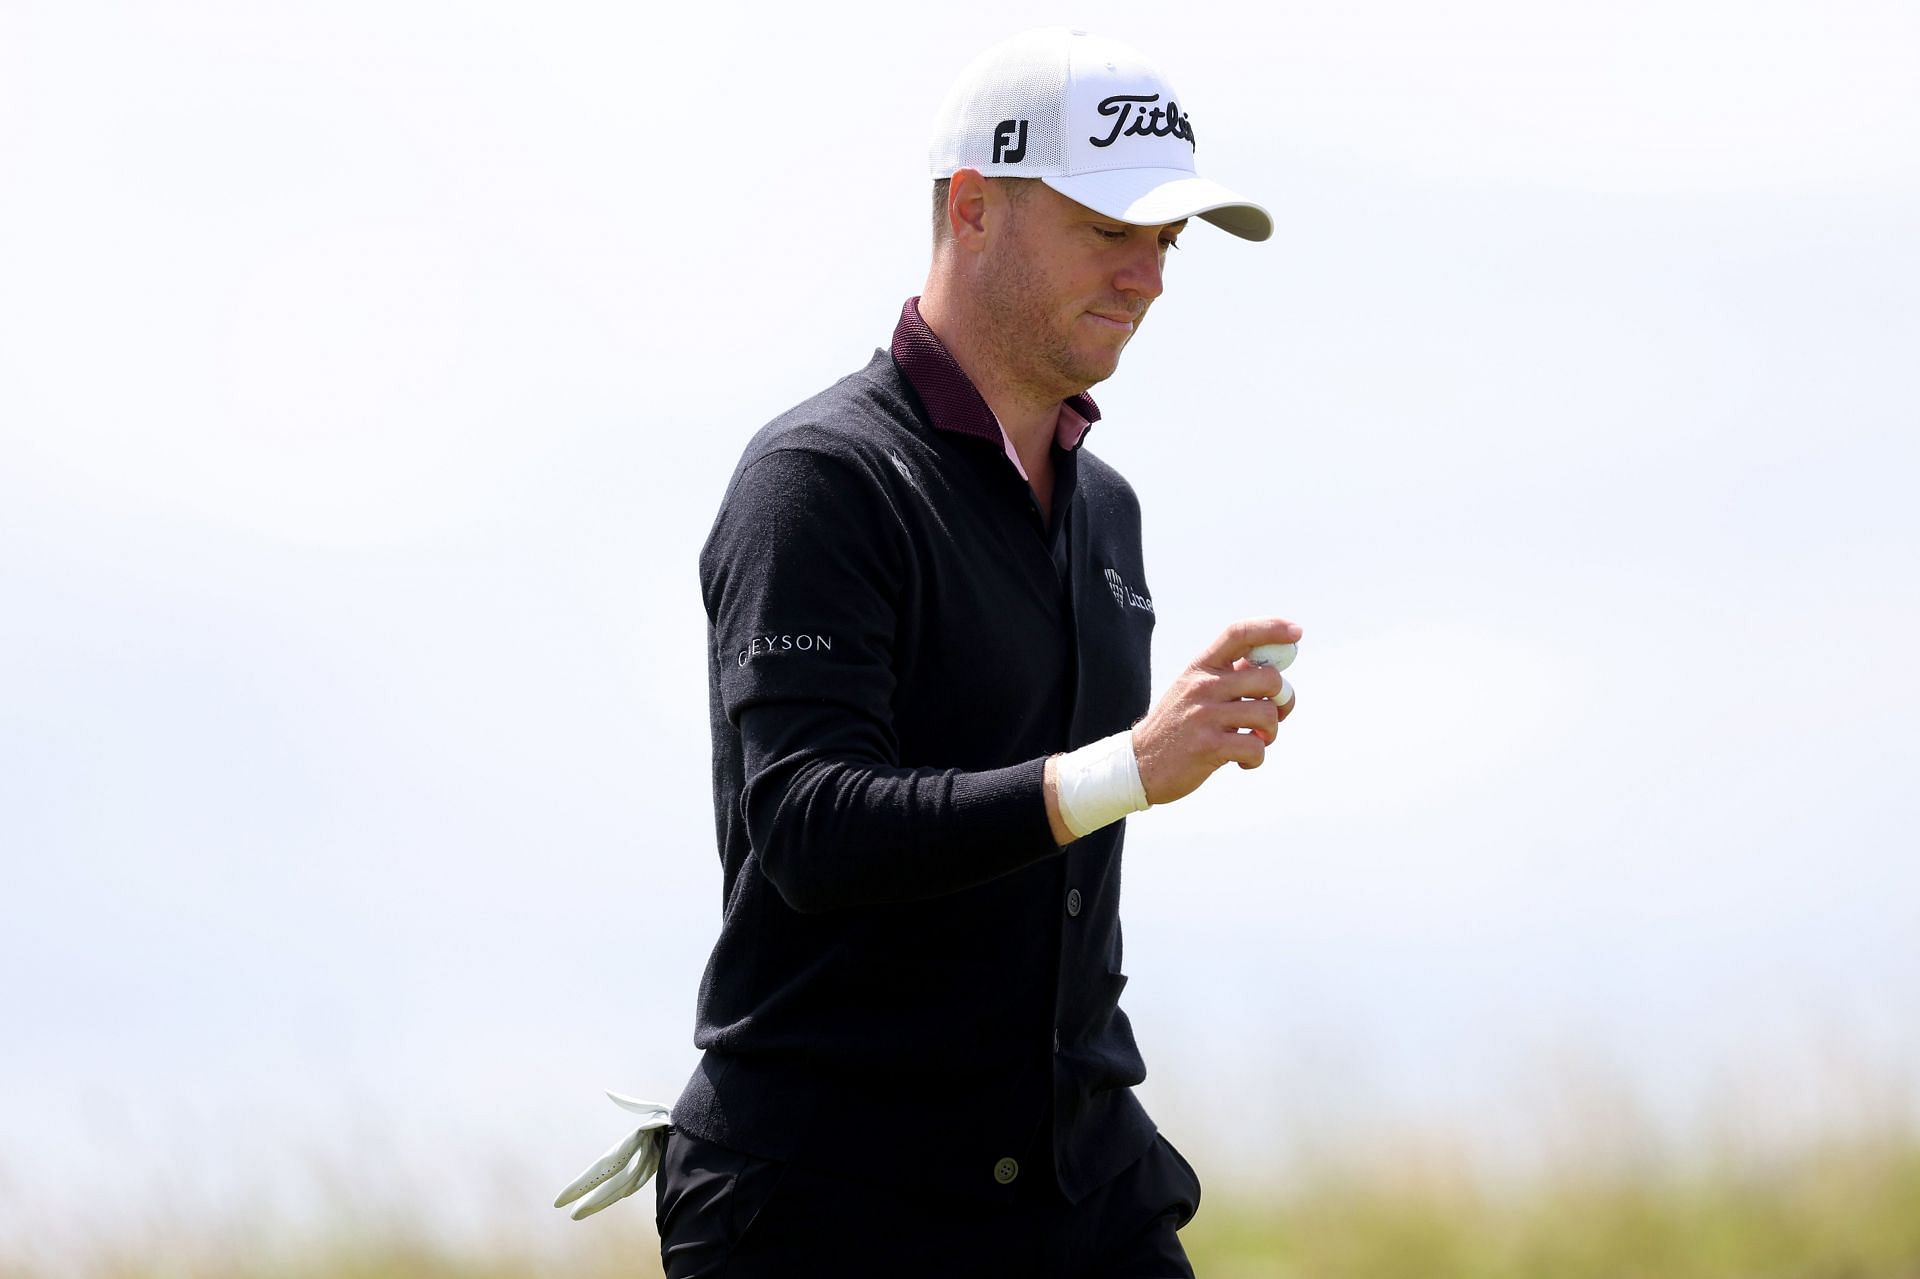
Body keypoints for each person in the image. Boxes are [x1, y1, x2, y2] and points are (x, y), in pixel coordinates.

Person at [658, 28, 1298, 1277]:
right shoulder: (821, 481)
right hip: (824, 1202)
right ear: (974, 208)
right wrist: (1126, 767)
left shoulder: (1105, 508)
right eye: (1110, 230)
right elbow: (809, 825)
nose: (1149, 277)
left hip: (1078, 1184)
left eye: (1165, 243)